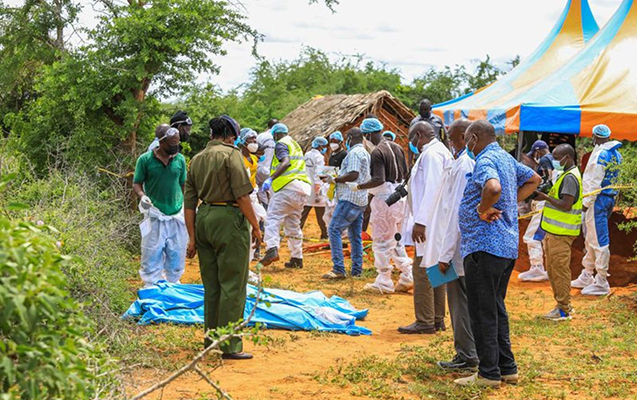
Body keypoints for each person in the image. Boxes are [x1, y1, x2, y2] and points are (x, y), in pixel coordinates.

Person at [454, 120, 540, 388]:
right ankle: (507, 368)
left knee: (482, 312)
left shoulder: (486, 159)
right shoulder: (506, 158)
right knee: (495, 308)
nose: (466, 145)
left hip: (484, 247)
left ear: (474, 138)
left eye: (467, 139)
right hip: (505, 247)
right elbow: (534, 179)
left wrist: (483, 208)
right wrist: (508, 203)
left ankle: (488, 373)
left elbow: (492, 188)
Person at [184, 115, 261, 360]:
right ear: (231, 135)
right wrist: (256, 226)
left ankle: (211, 341)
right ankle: (229, 345)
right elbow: (242, 195)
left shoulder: (196, 159)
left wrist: (192, 238)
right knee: (233, 284)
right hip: (229, 219)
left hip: (203, 218)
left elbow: (189, 203)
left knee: (212, 285)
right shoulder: (232, 155)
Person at [424, 119, 479, 371]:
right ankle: (466, 352)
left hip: (456, 249)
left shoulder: (464, 164)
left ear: (463, 137)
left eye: (451, 136)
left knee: (460, 304)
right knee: (459, 303)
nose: (448, 140)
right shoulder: (458, 162)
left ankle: (468, 355)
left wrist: (445, 254)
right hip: (453, 245)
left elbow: (457, 212)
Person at [398, 121, 453, 334]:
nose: (411, 144)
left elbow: (432, 188)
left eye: (411, 138)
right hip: (437, 220)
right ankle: (437, 318)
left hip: (430, 221)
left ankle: (425, 320)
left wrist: (421, 221)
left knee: (422, 271)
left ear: (419, 135)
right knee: (436, 267)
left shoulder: (431, 155)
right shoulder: (440, 152)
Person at [355, 117, 413, 293]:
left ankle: (384, 281)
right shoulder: (397, 147)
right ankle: (407, 275)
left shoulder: (377, 152)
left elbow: (378, 179)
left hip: (385, 201)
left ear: (368, 135)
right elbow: (405, 174)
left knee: (381, 241)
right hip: (400, 198)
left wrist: (359, 186)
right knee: (396, 240)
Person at [133, 126, 188, 287]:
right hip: (155, 214)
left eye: (177, 143)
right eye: (171, 144)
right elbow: (137, 183)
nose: (175, 147)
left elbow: (183, 184)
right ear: (161, 142)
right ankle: (151, 286)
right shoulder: (145, 160)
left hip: (176, 214)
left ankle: (173, 284)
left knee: (177, 252)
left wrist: (186, 204)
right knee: (151, 251)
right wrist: (142, 196)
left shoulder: (180, 160)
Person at [572, 124, 623, 296]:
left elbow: (594, 182)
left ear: (594, 136)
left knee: (599, 240)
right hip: (607, 199)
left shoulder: (601, 154)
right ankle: (587, 274)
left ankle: (601, 280)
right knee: (591, 237)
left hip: (597, 201)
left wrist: (586, 204)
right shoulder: (616, 154)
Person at [533, 144, 582, 321]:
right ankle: (562, 305)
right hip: (554, 232)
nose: (553, 160)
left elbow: (566, 205)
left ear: (567, 157)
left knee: (559, 270)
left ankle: (563, 309)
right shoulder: (566, 174)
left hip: (561, 233)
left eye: (556, 157)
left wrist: (545, 197)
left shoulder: (570, 177)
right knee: (554, 269)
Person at [259, 123, 312, 269]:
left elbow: (286, 162)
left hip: (287, 188)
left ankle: (271, 248)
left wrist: (271, 178)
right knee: (293, 223)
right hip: (301, 190)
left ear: (275, 134)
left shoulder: (281, 144)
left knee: (272, 218)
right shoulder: (295, 144)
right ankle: (297, 257)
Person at [321, 128, 371, 279]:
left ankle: (338, 269)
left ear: (350, 138)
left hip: (350, 198)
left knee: (333, 229)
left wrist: (335, 179)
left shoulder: (354, 153)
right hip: (360, 199)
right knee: (355, 235)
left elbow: (354, 174)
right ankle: (356, 270)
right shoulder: (365, 152)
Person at [519, 140, 554, 282]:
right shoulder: (555, 159)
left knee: (531, 236)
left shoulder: (545, 160)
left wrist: (533, 192)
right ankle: (546, 268)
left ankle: (537, 267)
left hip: (543, 204)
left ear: (537, 152)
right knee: (543, 237)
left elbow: (547, 182)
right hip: (550, 204)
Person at [237, 128, 268, 261]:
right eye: (251, 139)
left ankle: (250, 258)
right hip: (243, 196)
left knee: (254, 228)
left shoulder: (254, 158)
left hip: (253, 196)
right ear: (243, 141)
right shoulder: (238, 159)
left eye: (255, 139)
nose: (254, 142)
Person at [300, 137, 329, 239]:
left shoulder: (307, 155)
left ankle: (296, 232)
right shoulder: (319, 157)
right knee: (321, 213)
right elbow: (319, 173)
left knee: (304, 211)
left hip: (306, 186)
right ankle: (324, 234)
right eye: (324, 146)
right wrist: (318, 186)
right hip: (316, 188)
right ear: (320, 146)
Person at [324, 131, 348, 229]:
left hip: (341, 186)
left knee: (339, 210)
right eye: (331, 141)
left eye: (335, 141)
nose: (333, 143)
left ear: (341, 142)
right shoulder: (332, 155)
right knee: (329, 210)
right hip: (331, 186)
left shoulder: (344, 154)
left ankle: (341, 232)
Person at [256, 119, 279, 207]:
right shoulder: (276, 137)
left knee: (260, 190)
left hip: (258, 167)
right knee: (270, 193)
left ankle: (263, 207)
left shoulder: (261, 135)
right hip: (269, 170)